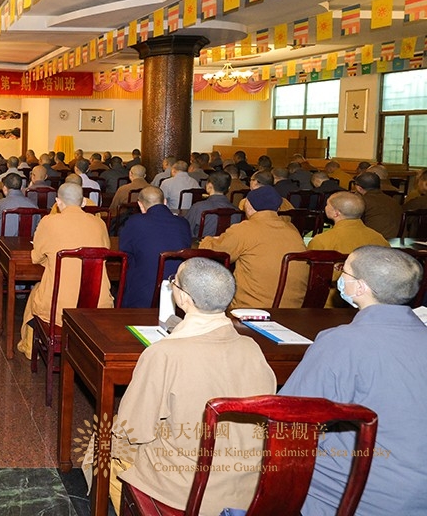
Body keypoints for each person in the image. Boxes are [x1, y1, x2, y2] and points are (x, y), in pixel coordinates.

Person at [101, 258, 276, 512]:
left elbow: (135, 429)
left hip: (186, 488)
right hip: (246, 487)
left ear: (183, 297)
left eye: (174, 281)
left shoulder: (164, 354)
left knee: (103, 446)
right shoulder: (252, 348)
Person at [280, 246, 427, 516]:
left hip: (360, 496)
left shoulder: (342, 342)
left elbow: (289, 421)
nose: (339, 278)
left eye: (343, 271)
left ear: (360, 287)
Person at [18, 183, 113, 359]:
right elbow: (104, 252)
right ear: (83, 202)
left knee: (36, 293)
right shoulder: (99, 223)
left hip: (59, 309)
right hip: (98, 305)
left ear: (58, 202)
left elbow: (36, 257)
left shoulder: (49, 222)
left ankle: (29, 348)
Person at [199, 185, 307, 308]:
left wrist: (207, 240)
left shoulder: (245, 229)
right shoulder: (293, 230)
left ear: (249, 206)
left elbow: (213, 253)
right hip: (293, 309)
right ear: (277, 208)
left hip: (252, 309)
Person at [117, 187, 191, 307]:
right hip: (178, 295)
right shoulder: (183, 223)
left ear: (140, 205)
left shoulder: (134, 222)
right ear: (165, 202)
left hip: (143, 297)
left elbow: (124, 250)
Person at [0, 173, 36, 278]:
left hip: (2, 250)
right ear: (21, 188)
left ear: (4, 188)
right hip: (28, 250)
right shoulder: (34, 206)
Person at [184, 170, 243, 239]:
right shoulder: (237, 212)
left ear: (209, 186)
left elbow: (185, 230)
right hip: (227, 245)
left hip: (202, 245)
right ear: (228, 188)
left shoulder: (198, 207)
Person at [352, 172, 402, 240]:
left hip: (374, 241)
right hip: (397, 241)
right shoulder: (393, 201)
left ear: (359, 188)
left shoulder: (362, 201)